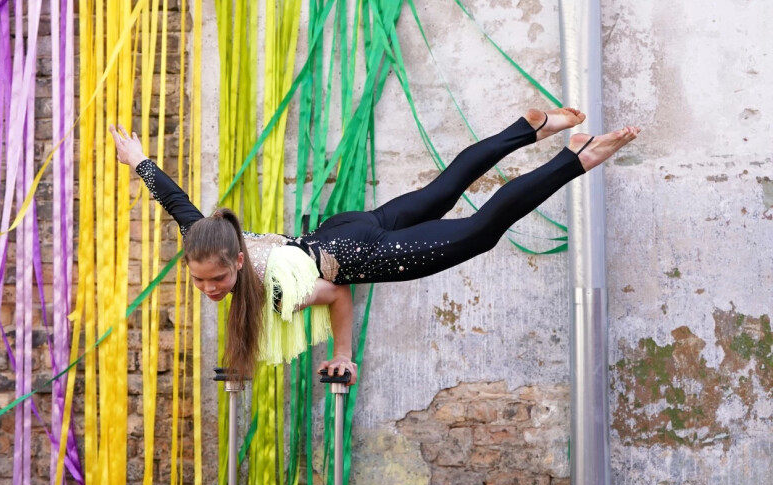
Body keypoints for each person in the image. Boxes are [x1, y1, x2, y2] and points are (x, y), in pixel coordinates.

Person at [110, 108, 639, 383]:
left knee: (480, 232)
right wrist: (137, 160)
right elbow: (176, 201)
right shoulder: (210, 236)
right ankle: (528, 128)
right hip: (341, 231)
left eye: (217, 279)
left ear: (239, 260)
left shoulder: (273, 288)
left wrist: (344, 354)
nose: (208, 288)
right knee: (440, 191)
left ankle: (576, 157)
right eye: (199, 280)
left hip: (366, 256)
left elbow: (338, 296)